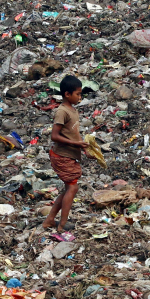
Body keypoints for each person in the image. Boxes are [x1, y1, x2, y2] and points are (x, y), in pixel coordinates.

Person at [42, 74, 87, 235]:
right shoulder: (61, 111)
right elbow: (54, 135)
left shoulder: (72, 110)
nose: (80, 97)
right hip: (62, 155)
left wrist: (85, 148)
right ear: (67, 94)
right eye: (78, 94)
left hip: (70, 154)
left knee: (69, 188)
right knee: (72, 188)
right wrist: (76, 144)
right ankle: (62, 224)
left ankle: (49, 220)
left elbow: (74, 133)